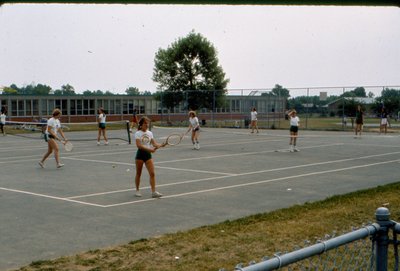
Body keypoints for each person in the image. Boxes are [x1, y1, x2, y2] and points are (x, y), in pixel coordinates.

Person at [134, 116, 164, 198]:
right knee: (138, 173)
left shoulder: (150, 133)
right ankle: (137, 190)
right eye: (145, 123)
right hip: (140, 155)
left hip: (148, 156)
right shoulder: (137, 133)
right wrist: (150, 150)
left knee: (152, 174)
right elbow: (139, 146)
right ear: (141, 124)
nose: (147, 125)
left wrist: (161, 145)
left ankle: (153, 192)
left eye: (148, 123)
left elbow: (154, 144)